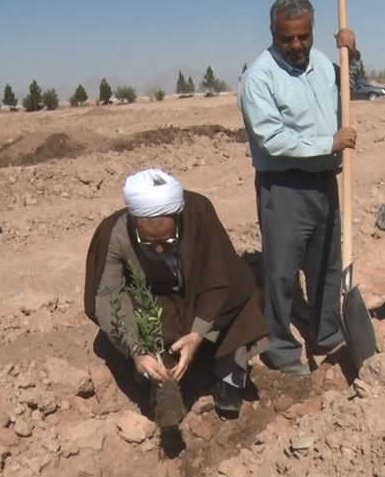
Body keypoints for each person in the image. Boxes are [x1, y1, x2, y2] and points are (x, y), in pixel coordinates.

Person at [238, 0, 361, 376]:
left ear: (311, 31)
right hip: (286, 187)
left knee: (327, 265)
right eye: (287, 38)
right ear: (273, 32)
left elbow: (350, 91)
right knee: (281, 272)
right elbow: (272, 139)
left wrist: (352, 57)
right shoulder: (259, 78)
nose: (296, 46)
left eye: (304, 37)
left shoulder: (324, 63)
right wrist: (329, 143)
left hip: (326, 182)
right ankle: (281, 350)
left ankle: (325, 333)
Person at [84, 168, 269, 415]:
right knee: (145, 321)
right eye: (150, 243)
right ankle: (163, 382)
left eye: (168, 241)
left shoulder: (198, 212)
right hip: (156, 302)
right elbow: (109, 296)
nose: (159, 250)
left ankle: (227, 377)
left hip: (200, 295)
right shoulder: (114, 233)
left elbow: (220, 273)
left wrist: (199, 333)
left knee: (244, 294)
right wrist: (136, 351)